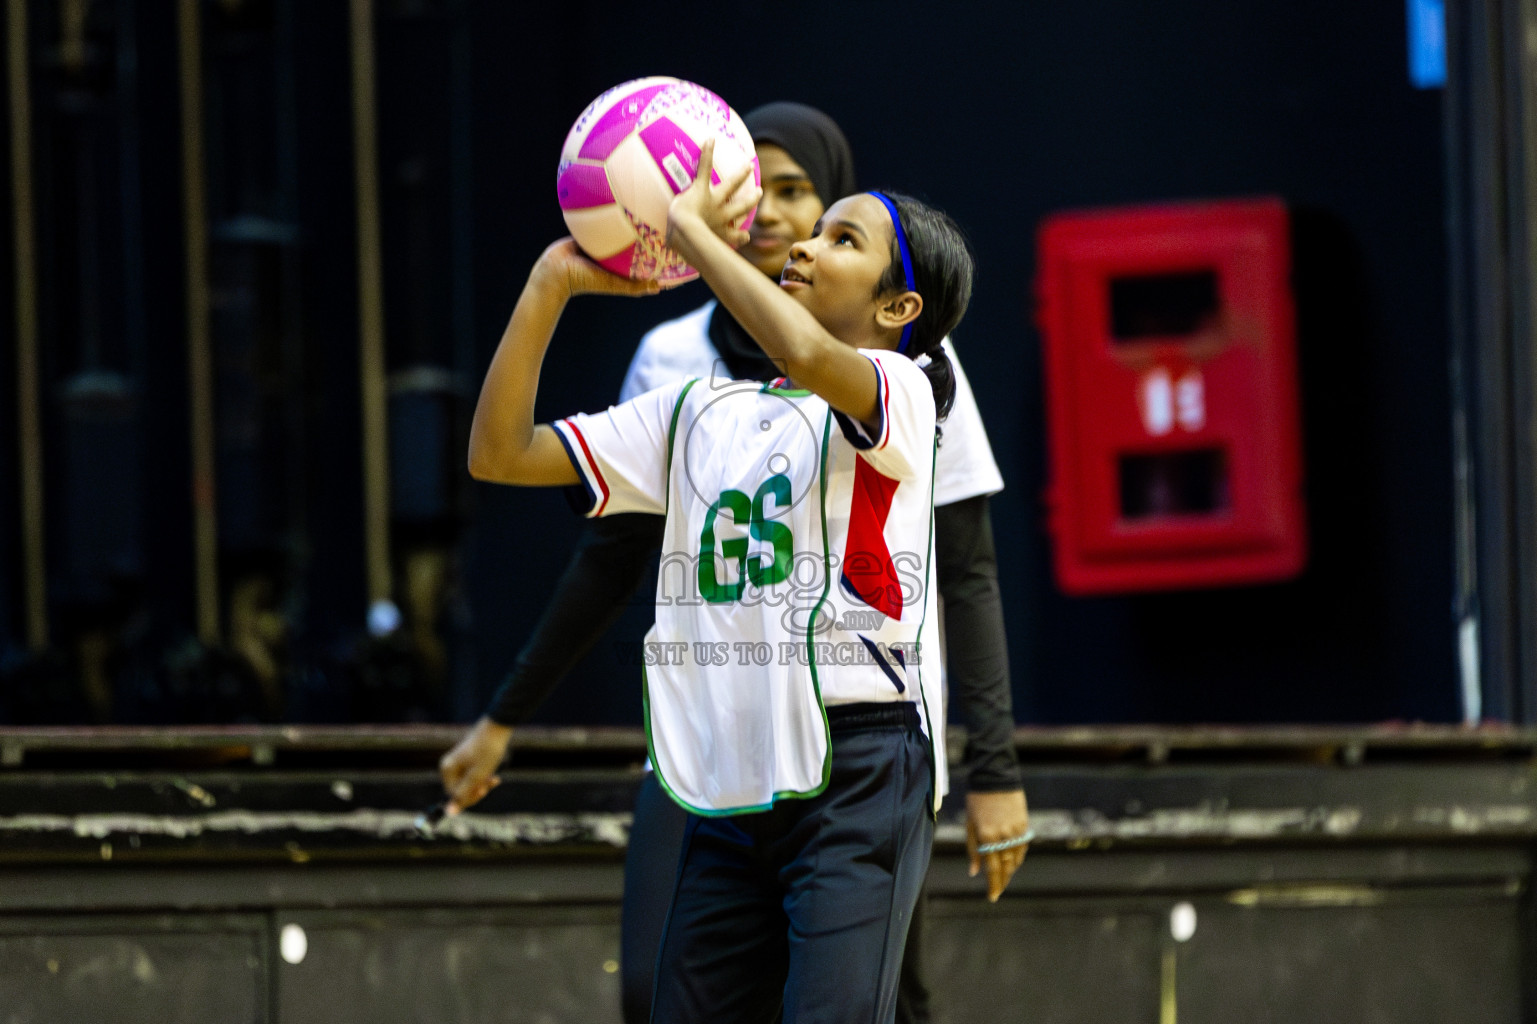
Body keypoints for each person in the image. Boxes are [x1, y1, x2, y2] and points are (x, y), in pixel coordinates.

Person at [441, 104, 1028, 1024]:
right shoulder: (694, 406)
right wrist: (549, 284)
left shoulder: (909, 390)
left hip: (860, 761)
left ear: (897, 308)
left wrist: (685, 228)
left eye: (839, 236)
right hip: (728, 765)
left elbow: (805, 352)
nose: (802, 241)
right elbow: (499, 454)